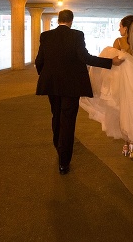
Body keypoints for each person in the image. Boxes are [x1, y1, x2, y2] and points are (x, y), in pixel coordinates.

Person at [35, 9, 124, 175]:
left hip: (52, 84)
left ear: (58, 20)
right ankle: (64, 162)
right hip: (71, 86)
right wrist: (110, 62)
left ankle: (58, 145)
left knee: (56, 114)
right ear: (71, 21)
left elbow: (39, 60)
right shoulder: (77, 35)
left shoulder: (45, 36)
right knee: (68, 120)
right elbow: (85, 58)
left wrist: (46, 77)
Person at [80, 15, 133, 159]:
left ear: (126, 28)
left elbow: (113, 63)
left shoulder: (119, 42)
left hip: (122, 83)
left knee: (123, 110)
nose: (119, 28)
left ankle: (127, 143)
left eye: (120, 26)